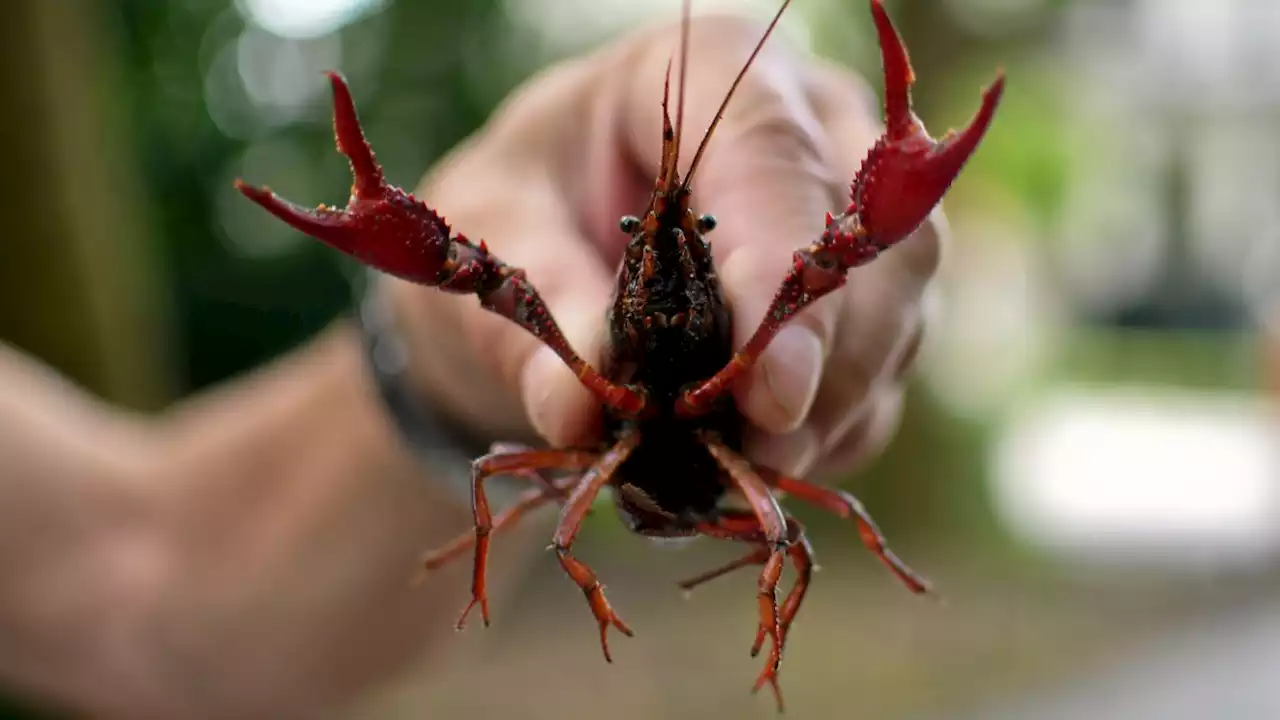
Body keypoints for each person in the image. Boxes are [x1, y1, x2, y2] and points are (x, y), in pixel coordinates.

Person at [0, 13, 941, 720]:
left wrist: (438, 371)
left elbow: (134, 569)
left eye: (679, 237)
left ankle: (769, 651)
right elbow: (134, 579)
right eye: (639, 237)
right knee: (532, 487)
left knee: (806, 529)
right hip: (624, 462)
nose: (658, 247)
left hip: (705, 465)